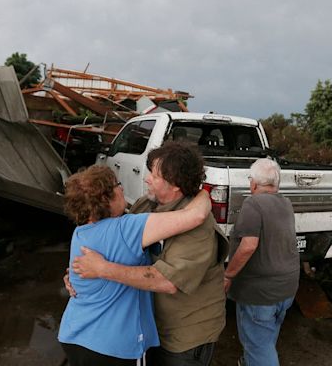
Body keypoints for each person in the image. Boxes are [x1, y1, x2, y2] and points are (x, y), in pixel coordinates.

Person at [69, 142, 228, 366]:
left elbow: (167, 281)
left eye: (154, 175)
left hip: (184, 336)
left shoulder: (198, 228)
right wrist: (77, 274)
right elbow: (111, 240)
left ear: (175, 184)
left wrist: (102, 269)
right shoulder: (146, 204)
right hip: (151, 329)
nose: (146, 179)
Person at [224, 158, 299, 366]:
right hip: (286, 289)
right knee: (266, 338)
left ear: (254, 183)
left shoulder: (253, 203)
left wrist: (228, 274)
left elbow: (248, 245)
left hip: (260, 294)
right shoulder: (285, 203)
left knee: (259, 347)